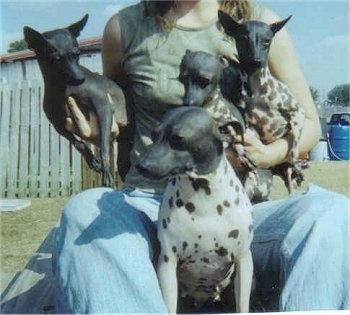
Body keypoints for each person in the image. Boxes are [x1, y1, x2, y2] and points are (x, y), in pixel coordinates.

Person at [54, 0, 349, 313]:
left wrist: (267, 154)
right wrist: (102, 123)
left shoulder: (258, 24)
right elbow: (112, 101)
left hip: (241, 214)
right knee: (82, 212)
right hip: (152, 207)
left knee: (334, 212)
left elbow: (310, 123)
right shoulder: (125, 27)